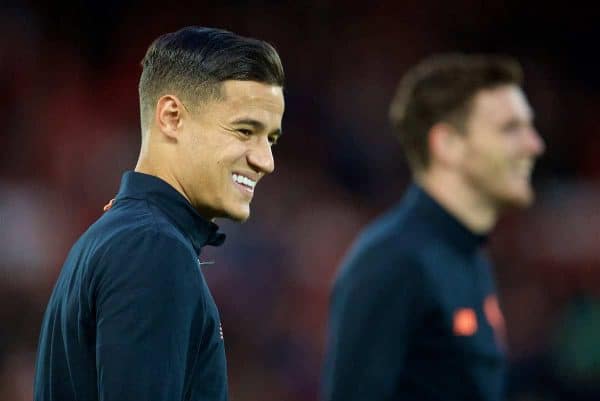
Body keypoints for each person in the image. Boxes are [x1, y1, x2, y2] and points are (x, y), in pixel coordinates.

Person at [33, 26, 285, 401]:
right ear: (171, 116)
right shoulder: (152, 249)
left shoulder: (121, 235)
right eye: (245, 130)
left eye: (271, 139)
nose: (266, 161)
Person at [322, 54, 545, 401]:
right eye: (510, 129)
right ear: (448, 145)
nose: (534, 145)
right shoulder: (393, 262)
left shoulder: (468, 256)